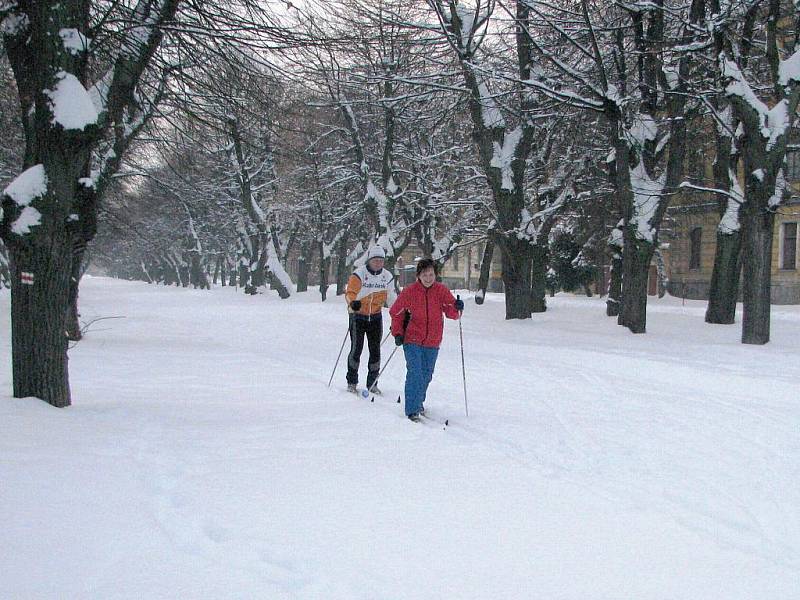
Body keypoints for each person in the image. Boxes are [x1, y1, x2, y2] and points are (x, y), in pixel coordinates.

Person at [389, 258, 464, 421]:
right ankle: (412, 410)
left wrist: (458, 307)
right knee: (415, 373)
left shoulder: (441, 290)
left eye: (431, 274)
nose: (428, 278)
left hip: (433, 340)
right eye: (425, 275)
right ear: (418, 276)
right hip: (412, 339)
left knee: (426, 375)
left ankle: (418, 402)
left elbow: (452, 312)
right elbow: (395, 312)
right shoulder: (410, 292)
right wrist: (397, 332)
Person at [344, 245, 396, 394]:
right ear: (369, 260)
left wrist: (399, 313)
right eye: (375, 260)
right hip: (358, 316)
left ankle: (372, 383)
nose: (378, 263)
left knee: (375, 350)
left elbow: (392, 298)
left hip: (375, 316)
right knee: (356, 349)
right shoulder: (359, 274)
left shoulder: (387, 276)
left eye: (381, 261)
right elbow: (350, 293)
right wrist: (353, 302)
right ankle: (352, 382)